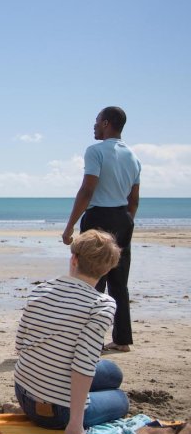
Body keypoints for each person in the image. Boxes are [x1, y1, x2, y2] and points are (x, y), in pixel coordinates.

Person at [14, 229, 129, 434]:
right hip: (55, 413)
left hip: (22, 392)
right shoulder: (101, 304)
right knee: (121, 399)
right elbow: (82, 365)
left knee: (113, 372)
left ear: (74, 259)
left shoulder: (41, 290)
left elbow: (20, 345)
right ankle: (71, 408)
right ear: (107, 268)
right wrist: (76, 424)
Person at [62, 107, 141, 353]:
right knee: (119, 282)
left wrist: (69, 226)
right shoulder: (132, 156)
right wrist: (126, 221)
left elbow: (87, 190)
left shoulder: (95, 151)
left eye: (96, 121)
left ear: (106, 123)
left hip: (99, 216)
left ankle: (88, 339)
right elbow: (134, 198)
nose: (94, 125)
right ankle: (122, 338)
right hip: (122, 217)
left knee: (90, 280)